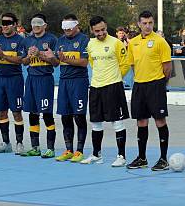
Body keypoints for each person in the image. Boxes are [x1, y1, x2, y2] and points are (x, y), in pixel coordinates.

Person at [81, 16, 131, 166]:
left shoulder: (116, 43)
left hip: (113, 87)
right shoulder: (90, 44)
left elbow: (125, 64)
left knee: (117, 122)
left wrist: (115, 78)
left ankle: (121, 156)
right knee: (96, 122)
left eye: (103, 29)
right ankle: (97, 155)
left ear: (106, 26)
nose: (101, 33)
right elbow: (91, 62)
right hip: (96, 87)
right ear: (92, 30)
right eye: (97, 31)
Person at [126, 11, 172, 171]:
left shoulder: (160, 42)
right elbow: (132, 64)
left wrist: (160, 83)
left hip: (156, 85)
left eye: (150, 23)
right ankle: (142, 157)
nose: (147, 26)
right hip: (139, 85)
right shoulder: (133, 43)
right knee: (141, 121)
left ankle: (163, 158)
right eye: (144, 23)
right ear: (139, 24)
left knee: (160, 120)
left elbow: (167, 67)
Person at [47, 14, 90, 162]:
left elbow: (84, 62)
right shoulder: (60, 41)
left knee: (79, 116)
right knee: (65, 116)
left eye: (69, 27)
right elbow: (57, 62)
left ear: (76, 25)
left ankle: (79, 151)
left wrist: (67, 59)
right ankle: (68, 150)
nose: (66, 30)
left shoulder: (84, 39)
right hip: (64, 82)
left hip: (78, 82)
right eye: (64, 27)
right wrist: (48, 57)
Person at [18, 14, 58, 157]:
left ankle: (50, 148)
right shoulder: (27, 40)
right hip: (31, 79)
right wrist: (29, 56)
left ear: (45, 25)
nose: (35, 25)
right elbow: (24, 61)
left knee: (46, 113)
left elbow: (56, 62)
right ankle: (35, 147)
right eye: (33, 23)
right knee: (33, 113)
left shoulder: (52, 39)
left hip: (45, 79)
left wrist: (40, 54)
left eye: (39, 23)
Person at [0, 13, 26, 154]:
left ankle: (19, 143)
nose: (4, 26)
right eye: (3, 23)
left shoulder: (20, 41)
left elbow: (21, 60)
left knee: (16, 112)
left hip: (14, 79)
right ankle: (6, 142)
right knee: (1, 111)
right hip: (0, 79)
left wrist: (4, 55)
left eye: (8, 23)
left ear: (15, 24)